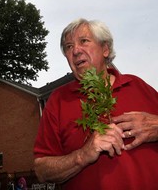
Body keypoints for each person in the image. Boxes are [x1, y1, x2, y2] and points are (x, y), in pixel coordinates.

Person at [33, 18, 158, 190]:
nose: (75, 50)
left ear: (105, 49)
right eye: (69, 47)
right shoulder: (58, 101)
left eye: (83, 41)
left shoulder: (137, 86)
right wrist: (82, 156)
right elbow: (41, 170)